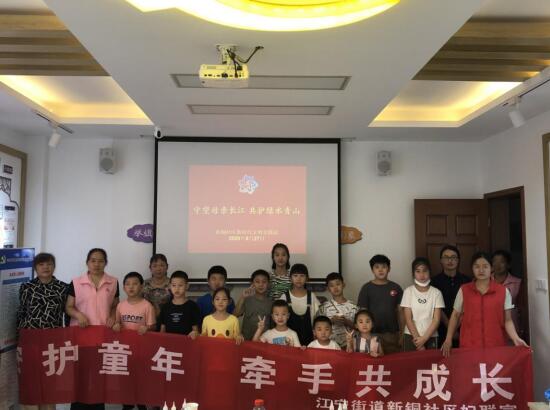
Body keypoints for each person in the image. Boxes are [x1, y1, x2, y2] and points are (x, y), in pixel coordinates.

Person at [442, 252, 528, 357]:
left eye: (485, 266)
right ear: (472, 268)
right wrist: (448, 338)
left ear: (492, 268)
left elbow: (508, 320)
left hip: (496, 344)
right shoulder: (464, 290)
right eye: (477, 266)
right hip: (469, 344)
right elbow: (455, 315)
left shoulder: (503, 291)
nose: (481, 270)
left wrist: (515, 338)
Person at [65, 248, 119, 410]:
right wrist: (78, 315)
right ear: (87, 262)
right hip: (80, 336)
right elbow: (68, 307)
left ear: (106, 263)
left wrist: (112, 316)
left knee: (98, 377)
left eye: (101, 261)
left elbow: (115, 305)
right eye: (93, 260)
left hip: (102, 337)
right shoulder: (76, 282)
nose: (96, 264)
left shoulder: (113, 282)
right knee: (79, 377)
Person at [18, 253, 68, 410]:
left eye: (49, 264)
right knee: (31, 381)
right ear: (35, 268)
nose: (45, 267)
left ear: (54, 266)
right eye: (41, 264)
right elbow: (21, 313)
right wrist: (19, 338)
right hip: (30, 341)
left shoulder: (63, 287)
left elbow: (67, 314)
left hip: (52, 342)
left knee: (49, 380)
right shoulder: (26, 287)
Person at [113, 272, 155, 410]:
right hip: (124, 352)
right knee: (125, 382)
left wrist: (147, 328)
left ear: (142, 286)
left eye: (135, 284)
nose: (131, 287)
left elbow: (153, 326)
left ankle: (142, 405)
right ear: (124, 288)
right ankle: (127, 405)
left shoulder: (147, 306)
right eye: (128, 284)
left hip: (142, 352)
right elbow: (117, 324)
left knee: (141, 382)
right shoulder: (120, 306)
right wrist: (116, 326)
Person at [356, 254, 403, 354]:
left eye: (384, 267)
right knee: (373, 362)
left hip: (392, 335)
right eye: (377, 267)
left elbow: (401, 313)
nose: (380, 270)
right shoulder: (366, 288)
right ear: (372, 270)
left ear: (389, 269)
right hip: (371, 335)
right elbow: (362, 314)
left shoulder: (396, 287)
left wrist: (402, 334)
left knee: (393, 361)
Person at [431, 245, 471, 347]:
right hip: (441, 327)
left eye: (453, 257)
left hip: (463, 327)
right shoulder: (434, 281)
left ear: (458, 260)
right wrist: (450, 328)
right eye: (446, 257)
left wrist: (455, 327)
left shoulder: (467, 281)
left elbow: (468, 306)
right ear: (441, 260)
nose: (450, 260)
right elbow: (437, 308)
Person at [401, 257, 444, 351]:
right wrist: (418, 341)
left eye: (425, 271)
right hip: (411, 336)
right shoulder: (408, 292)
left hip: (431, 336)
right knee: (410, 361)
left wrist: (424, 339)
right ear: (413, 274)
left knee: (430, 361)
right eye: (418, 271)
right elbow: (408, 319)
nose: (422, 274)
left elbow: (436, 320)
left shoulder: (436, 293)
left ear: (429, 272)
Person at [279, 263, 320, 346]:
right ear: (290, 278)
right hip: (289, 341)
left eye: (302, 276)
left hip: (309, 341)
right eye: (295, 276)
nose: (298, 279)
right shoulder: (284, 297)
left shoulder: (311, 296)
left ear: (307, 278)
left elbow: (318, 318)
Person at [318, 272, 357, 349]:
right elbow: (318, 327)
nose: (335, 287)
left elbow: (359, 327)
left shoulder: (353, 307)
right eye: (331, 285)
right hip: (330, 346)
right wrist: (331, 321)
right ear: (328, 289)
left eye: (338, 284)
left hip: (349, 346)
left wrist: (346, 321)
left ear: (343, 285)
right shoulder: (324, 307)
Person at [234, 269, 272, 340]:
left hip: (264, 341)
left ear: (268, 284)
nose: (261, 284)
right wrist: (242, 297)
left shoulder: (271, 303)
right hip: (246, 340)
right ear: (252, 283)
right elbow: (235, 315)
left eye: (264, 282)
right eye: (257, 282)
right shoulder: (247, 299)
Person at [159, 270, 200, 337]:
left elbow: (196, 330)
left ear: (187, 286)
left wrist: (195, 333)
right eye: (174, 285)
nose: (177, 289)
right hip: (169, 342)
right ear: (170, 286)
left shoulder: (192, 306)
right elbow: (162, 330)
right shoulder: (165, 307)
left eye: (180, 285)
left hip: (187, 342)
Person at [492, 250, 522, 333]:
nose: (497, 265)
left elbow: (522, 308)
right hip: (491, 325)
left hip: (512, 325)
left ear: (508, 265)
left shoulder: (517, 282)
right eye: (495, 261)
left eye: (501, 262)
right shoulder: (485, 281)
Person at [142, 254, 171, 324]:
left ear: (167, 267)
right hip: (147, 322)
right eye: (155, 266)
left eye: (162, 265)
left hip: (168, 321)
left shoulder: (173, 284)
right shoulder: (143, 284)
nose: (158, 269)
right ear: (150, 268)